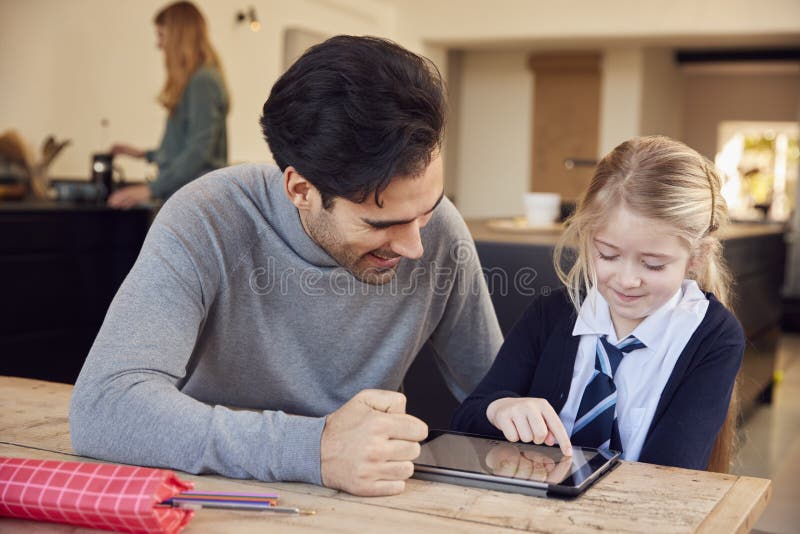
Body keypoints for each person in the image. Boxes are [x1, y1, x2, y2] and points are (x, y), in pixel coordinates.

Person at [70, 35, 503, 497]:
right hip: (210, 497)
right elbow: (104, 406)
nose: (415, 245)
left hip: (362, 506)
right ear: (299, 191)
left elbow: (497, 391)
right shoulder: (207, 218)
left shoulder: (440, 233)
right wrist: (314, 449)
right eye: (383, 223)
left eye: (428, 209)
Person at [452, 135, 745, 472]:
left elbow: (673, 473)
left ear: (697, 257)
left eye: (653, 265)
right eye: (607, 254)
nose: (627, 280)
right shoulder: (551, 314)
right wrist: (500, 409)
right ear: (588, 236)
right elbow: (468, 417)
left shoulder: (714, 338)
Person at [108, 1, 229, 209]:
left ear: (179, 37)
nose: (158, 44)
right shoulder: (196, 80)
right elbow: (182, 147)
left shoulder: (203, 80)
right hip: (185, 196)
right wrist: (143, 154)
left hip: (195, 201)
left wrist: (151, 188)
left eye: (161, 36)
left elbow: (199, 152)